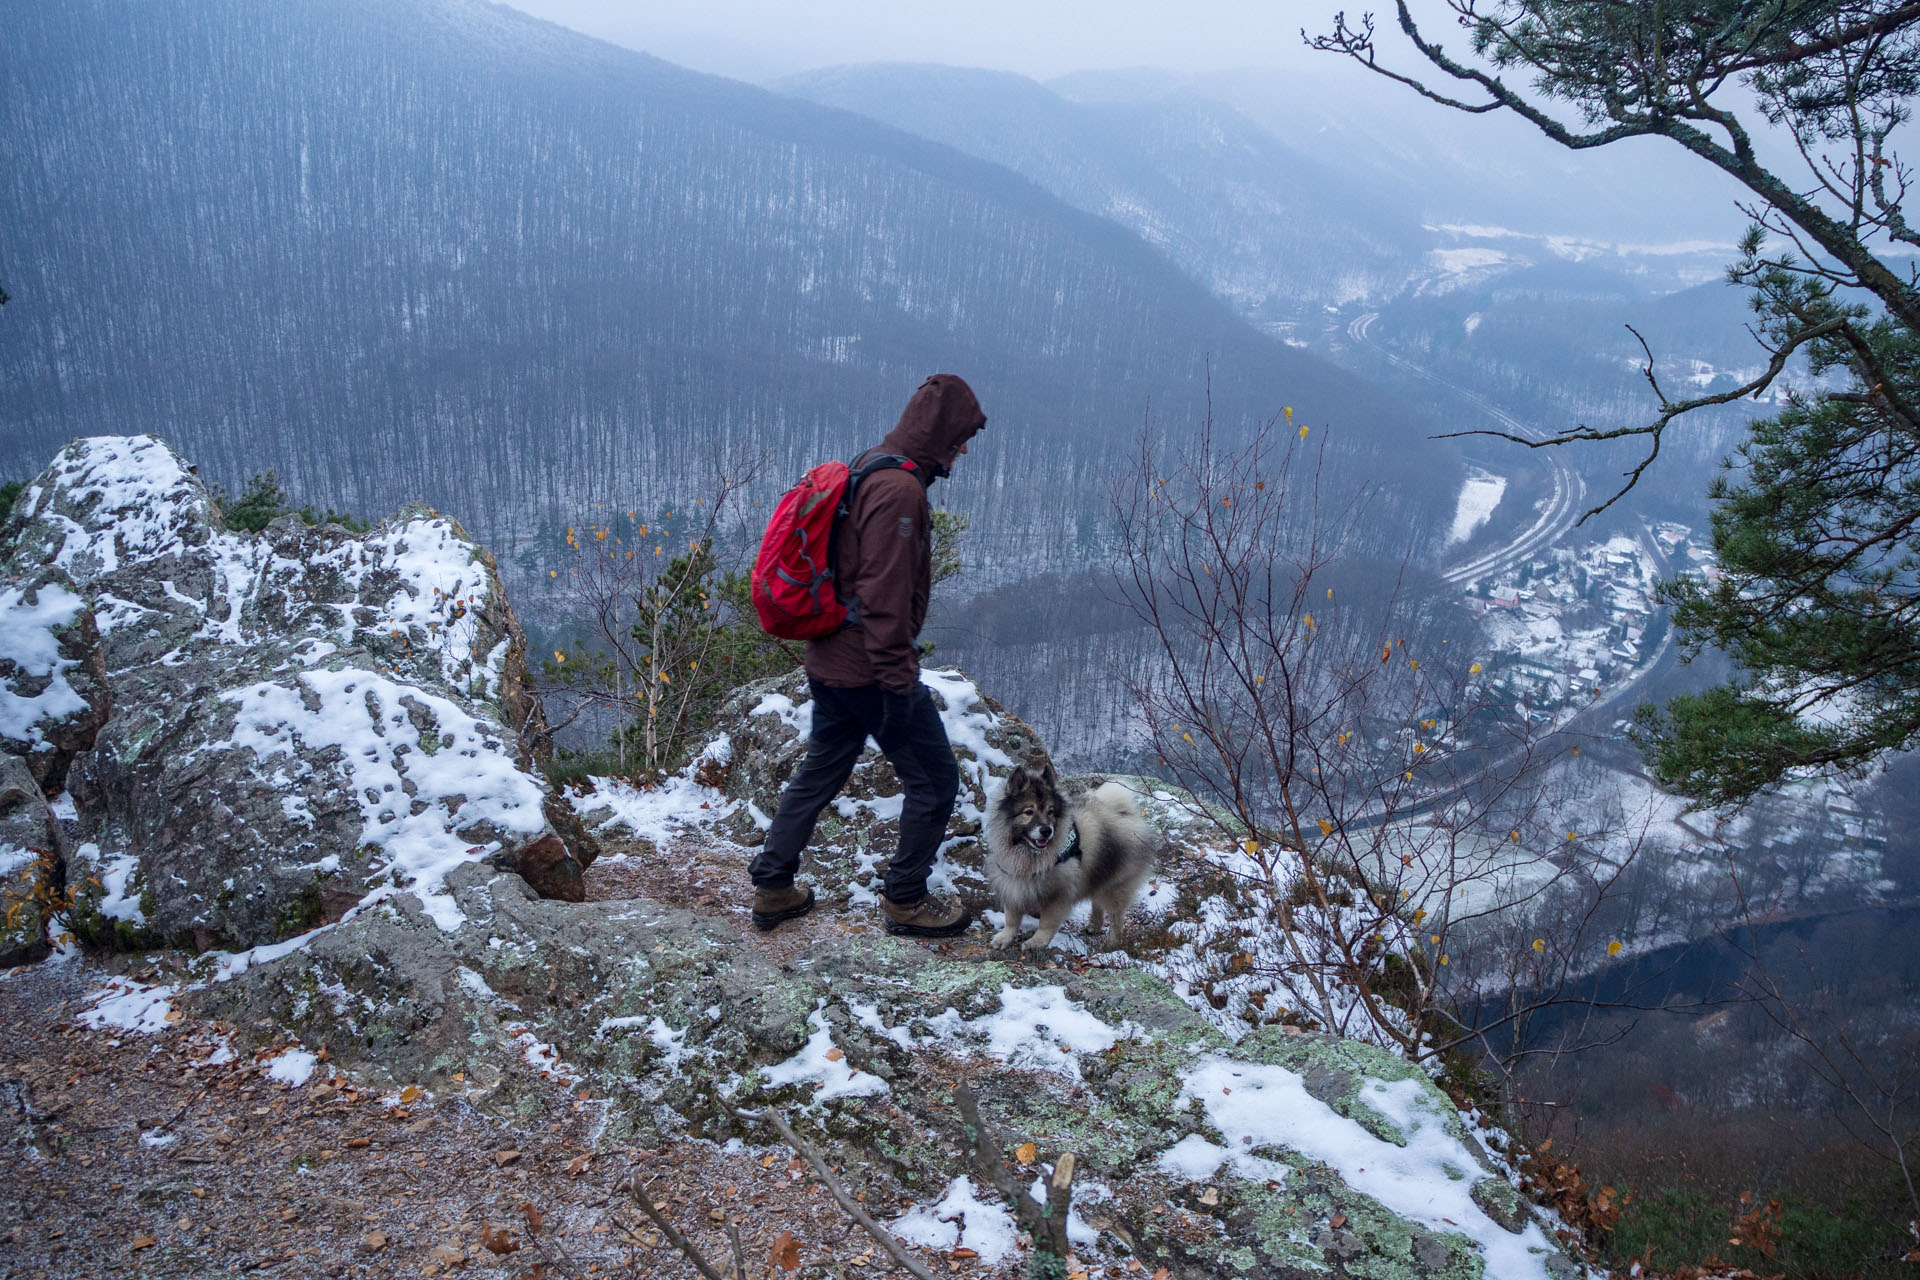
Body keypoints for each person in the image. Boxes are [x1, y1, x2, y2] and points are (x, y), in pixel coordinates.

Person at [748, 374, 986, 937]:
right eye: (960, 437)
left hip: (829, 660)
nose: (964, 449)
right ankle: (905, 900)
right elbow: (884, 597)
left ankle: (774, 886)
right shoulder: (900, 492)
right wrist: (899, 684)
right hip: (870, 673)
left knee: (821, 770)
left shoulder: (871, 462)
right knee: (934, 780)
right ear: (940, 434)